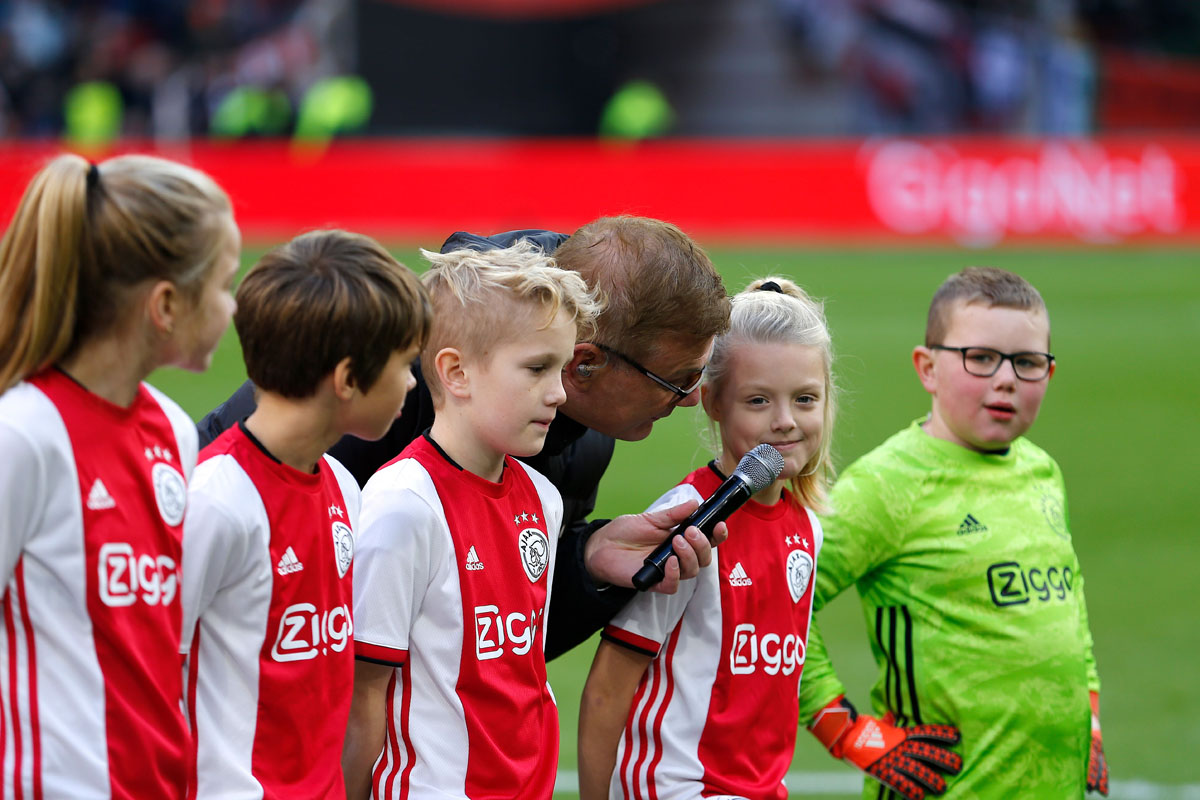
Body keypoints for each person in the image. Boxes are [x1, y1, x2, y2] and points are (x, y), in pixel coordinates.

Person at [197, 216, 733, 660]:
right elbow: (220, 493)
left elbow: (498, 643)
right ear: (585, 366)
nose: (690, 400)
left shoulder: (578, 428)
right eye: (679, 380)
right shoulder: (385, 377)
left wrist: (586, 561)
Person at [797, 267, 1107, 799]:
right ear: (928, 368)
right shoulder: (885, 485)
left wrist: (1089, 718)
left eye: (1027, 362)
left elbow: (1070, 609)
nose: (1005, 379)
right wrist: (849, 732)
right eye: (981, 358)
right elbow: (777, 600)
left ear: (1049, 374)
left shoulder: (1043, 472)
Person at [0, 153, 238, 797]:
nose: (233, 304)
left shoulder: (171, 428)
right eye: (222, 283)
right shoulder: (23, 434)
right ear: (165, 305)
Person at [341, 242, 607, 799]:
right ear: (456, 373)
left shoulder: (542, 498)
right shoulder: (402, 504)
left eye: (562, 368)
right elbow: (364, 693)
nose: (559, 392)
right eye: (537, 368)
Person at [181, 231, 432, 798]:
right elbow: (149, 680)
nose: (413, 383)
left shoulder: (344, 485)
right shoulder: (215, 500)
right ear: (347, 379)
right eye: (402, 364)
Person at [578, 278, 844, 799]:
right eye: (759, 400)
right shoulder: (687, 519)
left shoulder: (806, 526)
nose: (786, 421)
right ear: (713, 401)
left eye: (806, 399)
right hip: (678, 787)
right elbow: (609, 688)